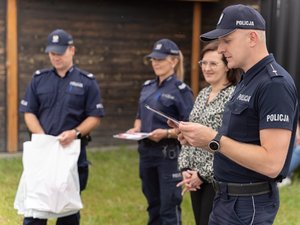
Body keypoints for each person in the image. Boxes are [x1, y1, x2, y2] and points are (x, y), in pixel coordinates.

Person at [172, 4, 298, 225]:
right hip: (226, 199)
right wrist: (200, 140)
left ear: (252, 38)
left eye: (227, 40)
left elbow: (272, 163)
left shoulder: (273, 84)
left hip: (247, 204)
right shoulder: (247, 79)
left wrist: (212, 139)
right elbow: (237, 140)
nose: (220, 49)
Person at [19, 29, 105, 225]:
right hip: (43, 154)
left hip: (71, 155)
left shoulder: (87, 82)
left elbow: (95, 116)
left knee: (68, 212)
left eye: (60, 52)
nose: (55, 57)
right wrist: (42, 137)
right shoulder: (39, 79)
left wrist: (75, 133)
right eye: (52, 53)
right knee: (35, 211)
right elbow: (29, 112)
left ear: (72, 50)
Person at [127, 38, 194, 225]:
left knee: (169, 208)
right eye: (153, 59)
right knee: (153, 205)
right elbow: (140, 115)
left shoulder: (182, 91)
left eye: (160, 59)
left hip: (168, 155)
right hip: (146, 153)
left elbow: (189, 127)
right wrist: (136, 128)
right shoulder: (147, 86)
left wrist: (166, 133)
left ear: (173, 61)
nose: (155, 63)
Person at [177, 41, 239, 225]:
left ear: (227, 66)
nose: (207, 68)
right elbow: (190, 130)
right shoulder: (203, 93)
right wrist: (185, 169)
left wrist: (202, 175)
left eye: (213, 63)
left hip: (217, 178)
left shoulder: (234, 96)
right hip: (194, 176)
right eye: (203, 63)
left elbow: (230, 140)